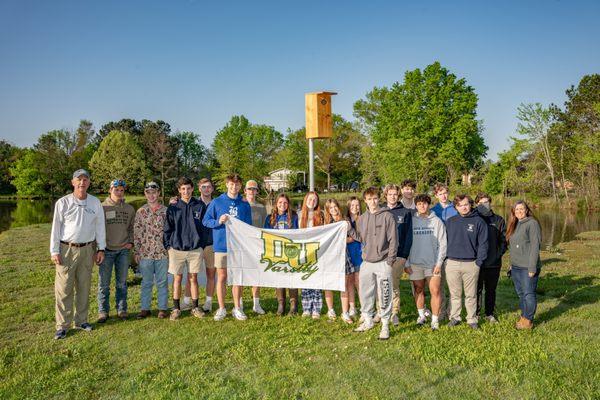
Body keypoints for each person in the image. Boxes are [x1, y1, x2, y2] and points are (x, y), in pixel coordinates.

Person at [50, 169, 106, 340]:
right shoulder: (63, 202)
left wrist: (101, 248)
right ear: (73, 182)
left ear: (89, 183)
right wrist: (54, 250)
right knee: (64, 289)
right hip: (66, 249)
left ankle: (81, 320)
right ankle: (62, 326)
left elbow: (100, 227)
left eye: (85, 180)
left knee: (84, 287)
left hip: (88, 249)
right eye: (79, 180)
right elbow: (56, 228)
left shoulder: (95, 202)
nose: (82, 183)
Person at [348, 187, 398, 340]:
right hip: (367, 262)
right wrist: (350, 230)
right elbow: (361, 238)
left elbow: (393, 240)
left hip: (383, 262)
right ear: (365, 201)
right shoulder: (362, 218)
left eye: (375, 198)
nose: (373, 201)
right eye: (369, 199)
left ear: (379, 199)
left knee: (384, 293)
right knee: (365, 293)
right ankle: (368, 320)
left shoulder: (387, 216)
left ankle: (384, 325)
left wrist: (390, 261)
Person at [202, 174, 252, 321]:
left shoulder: (244, 204)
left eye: (237, 185)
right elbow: (206, 221)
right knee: (222, 277)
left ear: (240, 186)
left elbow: (248, 226)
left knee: (237, 278)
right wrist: (218, 221)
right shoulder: (217, 202)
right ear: (227, 185)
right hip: (222, 246)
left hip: (238, 247)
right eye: (231, 184)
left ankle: (237, 308)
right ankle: (222, 308)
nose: (234, 187)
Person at [164, 177, 210, 321]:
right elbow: (167, 228)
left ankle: (195, 307)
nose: (186, 191)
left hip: (195, 249)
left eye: (188, 188)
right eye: (183, 189)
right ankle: (176, 308)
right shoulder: (173, 207)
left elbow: (204, 227)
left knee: (193, 278)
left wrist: (201, 245)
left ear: (192, 189)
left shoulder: (199, 206)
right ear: (179, 190)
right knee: (177, 278)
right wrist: (168, 246)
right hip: (177, 248)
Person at [445, 194, 489, 329]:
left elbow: (483, 244)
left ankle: (471, 319)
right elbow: (443, 241)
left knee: (471, 294)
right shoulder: (450, 221)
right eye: (460, 205)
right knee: (455, 294)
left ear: (470, 205)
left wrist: (479, 262)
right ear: (456, 207)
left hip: (471, 263)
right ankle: (455, 317)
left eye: (466, 204)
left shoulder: (479, 221)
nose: (463, 207)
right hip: (452, 263)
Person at [404, 194, 447, 330]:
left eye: (425, 203)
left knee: (435, 290)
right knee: (418, 289)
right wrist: (407, 263)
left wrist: (439, 263)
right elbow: (406, 243)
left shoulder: (437, 221)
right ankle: (421, 316)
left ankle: (434, 320)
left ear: (429, 204)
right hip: (415, 263)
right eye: (419, 204)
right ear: (416, 206)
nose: (422, 206)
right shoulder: (412, 221)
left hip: (432, 264)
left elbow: (443, 244)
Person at [97, 179, 135, 322]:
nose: (119, 192)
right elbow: (97, 229)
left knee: (121, 283)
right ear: (110, 190)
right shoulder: (102, 207)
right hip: (106, 250)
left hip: (123, 251)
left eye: (121, 190)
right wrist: (99, 248)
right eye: (116, 189)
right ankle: (103, 311)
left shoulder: (129, 209)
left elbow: (132, 228)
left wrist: (131, 242)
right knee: (104, 284)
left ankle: (122, 309)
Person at [133, 182, 169, 319]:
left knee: (162, 282)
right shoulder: (141, 211)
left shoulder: (166, 211)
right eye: (148, 192)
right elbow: (137, 232)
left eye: (154, 192)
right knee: (146, 282)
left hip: (162, 252)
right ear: (145, 194)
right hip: (145, 253)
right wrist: (137, 251)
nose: (151, 195)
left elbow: (170, 232)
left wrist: (169, 249)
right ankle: (145, 308)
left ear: (158, 193)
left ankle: (162, 308)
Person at [506, 201, 542, 330]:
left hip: (527, 267)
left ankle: (528, 320)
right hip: (516, 267)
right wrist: (511, 265)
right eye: (517, 209)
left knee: (528, 294)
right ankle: (524, 316)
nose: (519, 211)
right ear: (513, 212)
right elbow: (514, 248)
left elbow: (535, 247)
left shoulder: (532, 223)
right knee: (521, 294)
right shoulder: (515, 224)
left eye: (522, 209)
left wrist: (532, 268)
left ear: (527, 210)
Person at [381, 184, 413, 326]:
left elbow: (408, 236)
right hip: (381, 255)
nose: (392, 196)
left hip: (398, 256)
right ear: (386, 195)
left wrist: (404, 256)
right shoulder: (380, 211)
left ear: (398, 195)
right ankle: (380, 311)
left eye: (395, 194)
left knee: (393, 284)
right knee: (381, 284)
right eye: (390, 194)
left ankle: (394, 312)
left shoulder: (405, 212)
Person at [263, 193, 299, 315]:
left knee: (291, 278)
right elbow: (265, 235)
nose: (282, 205)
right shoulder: (270, 218)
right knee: (279, 278)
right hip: (276, 253)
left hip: (290, 252)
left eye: (285, 202)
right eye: (280, 202)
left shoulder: (294, 217)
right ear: (276, 204)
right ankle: (281, 304)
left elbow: (300, 233)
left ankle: (293, 305)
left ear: (288, 204)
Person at [475, 193, 507, 323]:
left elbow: (504, 241)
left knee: (491, 290)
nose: (485, 204)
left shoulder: (498, 220)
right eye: (481, 202)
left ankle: (489, 313)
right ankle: (475, 313)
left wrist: (497, 255)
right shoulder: (474, 219)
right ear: (477, 204)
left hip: (493, 263)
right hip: (477, 262)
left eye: (487, 202)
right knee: (476, 289)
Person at [298, 191, 326, 319]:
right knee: (306, 279)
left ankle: (316, 309)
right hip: (303, 252)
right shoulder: (299, 215)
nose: (312, 202)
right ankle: (306, 308)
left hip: (318, 252)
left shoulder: (321, 215)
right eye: (310, 199)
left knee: (317, 280)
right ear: (306, 200)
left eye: (315, 200)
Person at [325, 199, 353, 323]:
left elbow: (353, 237)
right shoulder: (326, 223)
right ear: (328, 210)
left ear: (338, 207)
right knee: (328, 284)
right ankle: (330, 310)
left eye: (335, 206)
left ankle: (345, 312)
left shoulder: (345, 221)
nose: (334, 209)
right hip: (330, 257)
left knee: (344, 285)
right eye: (330, 208)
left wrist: (341, 240)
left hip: (343, 256)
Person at [243, 179, 267, 315]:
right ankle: (238, 303)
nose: (252, 191)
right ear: (245, 191)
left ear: (257, 191)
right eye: (249, 189)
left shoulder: (261, 208)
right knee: (241, 273)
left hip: (257, 245)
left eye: (254, 189)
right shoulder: (239, 205)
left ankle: (256, 304)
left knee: (256, 275)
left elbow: (264, 227)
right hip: (242, 244)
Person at [197, 178, 216, 313]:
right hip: (195, 244)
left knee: (211, 274)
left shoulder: (217, 204)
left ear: (212, 189)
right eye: (203, 187)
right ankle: (189, 300)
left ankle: (208, 302)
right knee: (192, 275)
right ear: (199, 189)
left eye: (209, 187)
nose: (206, 189)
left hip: (211, 243)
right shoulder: (193, 203)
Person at [345, 197, 362, 319]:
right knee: (349, 282)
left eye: (357, 205)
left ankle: (364, 308)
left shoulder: (363, 219)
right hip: (347, 254)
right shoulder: (344, 220)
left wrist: (350, 239)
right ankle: (352, 307)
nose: (355, 208)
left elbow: (361, 237)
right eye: (352, 205)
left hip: (359, 254)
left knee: (358, 282)